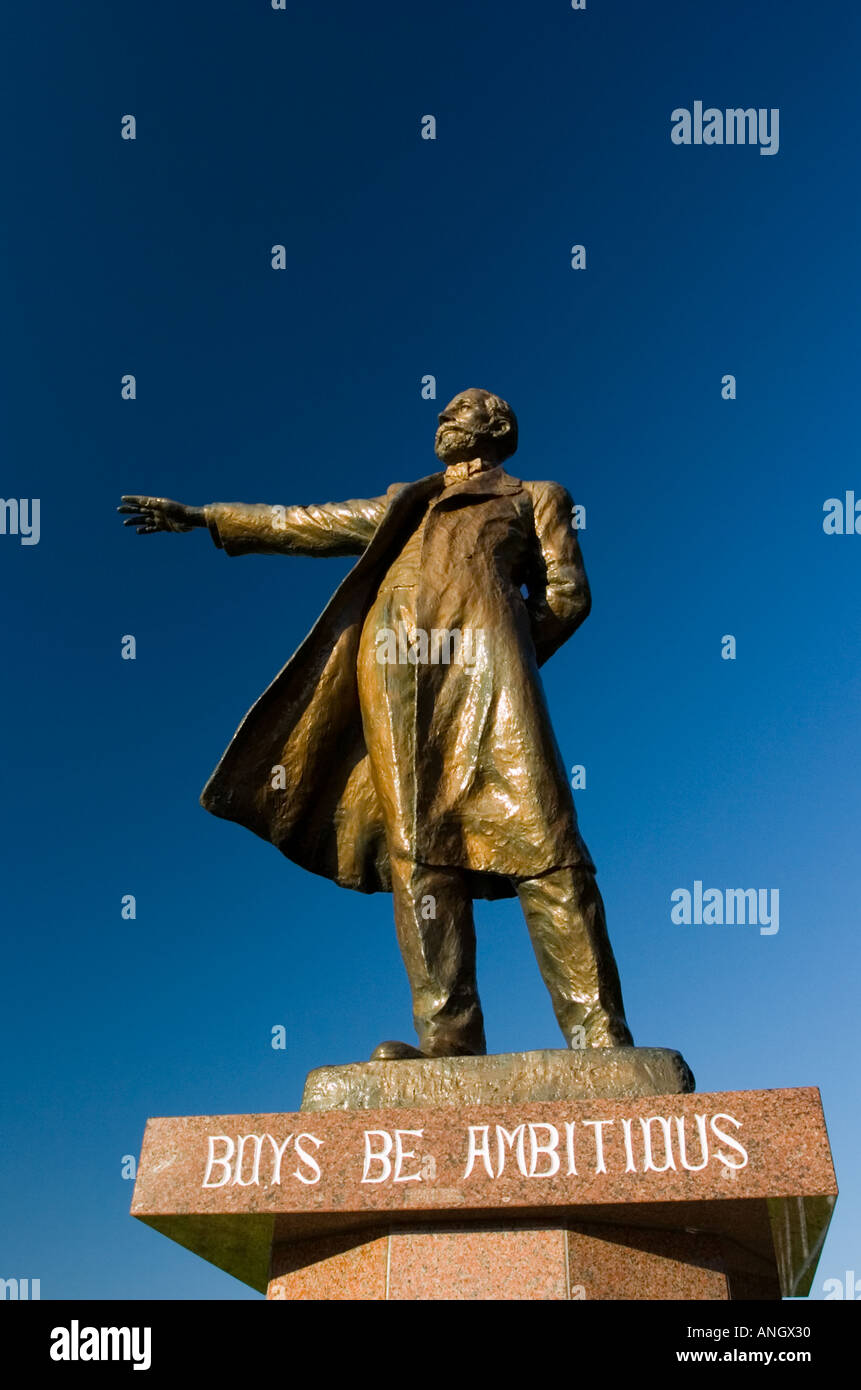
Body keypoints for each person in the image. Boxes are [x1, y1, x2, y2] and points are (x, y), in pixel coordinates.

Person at [119, 388, 633, 1058]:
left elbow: (566, 597)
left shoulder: (535, 496)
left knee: (544, 838)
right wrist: (202, 516)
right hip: (393, 676)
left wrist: (498, 644)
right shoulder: (406, 501)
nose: (442, 420)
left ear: (495, 427)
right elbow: (301, 523)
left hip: (490, 674)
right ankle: (449, 1040)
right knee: (418, 850)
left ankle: (598, 1035)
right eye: (440, 413)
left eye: (458, 411)